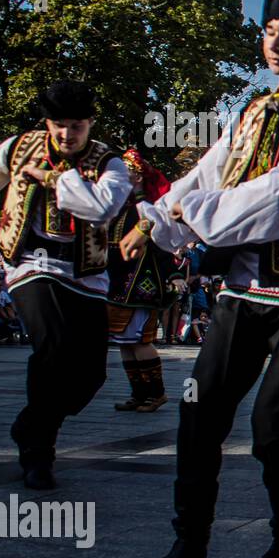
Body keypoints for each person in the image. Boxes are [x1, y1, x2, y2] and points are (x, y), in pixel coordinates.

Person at [120, 0, 279, 558]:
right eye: (272, 33)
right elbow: (206, 174)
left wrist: (187, 216)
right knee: (199, 410)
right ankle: (191, 540)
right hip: (243, 290)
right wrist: (156, 220)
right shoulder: (249, 113)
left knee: (274, 421)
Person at [0, 81, 132, 490]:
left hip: (85, 274)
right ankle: (39, 452)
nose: (66, 135)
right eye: (58, 125)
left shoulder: (109, 162)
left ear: (90, 122)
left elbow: (101, 207)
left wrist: (54, 180)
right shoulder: (18, 147)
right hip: (29, 266)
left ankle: (31, 423)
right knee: (53, 346)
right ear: (47, 122)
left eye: (75, 126)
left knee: (90, 375)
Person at [107, 148, 175, 413]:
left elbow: (159, 236)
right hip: (117, 279)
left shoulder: (147, 206)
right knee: (124, 341)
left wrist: (175, 274)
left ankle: (156, 394)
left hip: (142, 282)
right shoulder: (120, 206)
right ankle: (138, 393)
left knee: (140, 340)